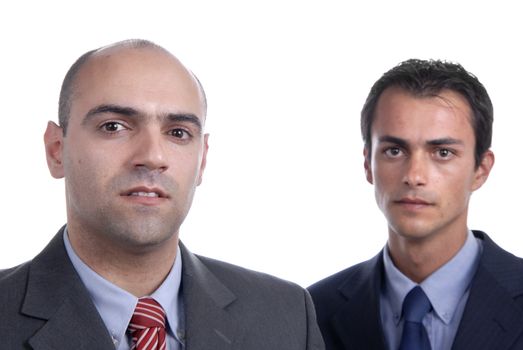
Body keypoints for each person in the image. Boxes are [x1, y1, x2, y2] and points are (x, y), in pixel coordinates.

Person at [0, 39, 324, 350]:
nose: (153, 156)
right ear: (57, 150)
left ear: (203, 160)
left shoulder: (287, 316)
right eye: (114, 126)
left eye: (178, 133)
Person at [308, 59, 523, 350]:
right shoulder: (314, 312)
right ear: (368, 164)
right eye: (394, 150)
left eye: (443, 152)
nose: (414, 176)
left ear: (481, 169)